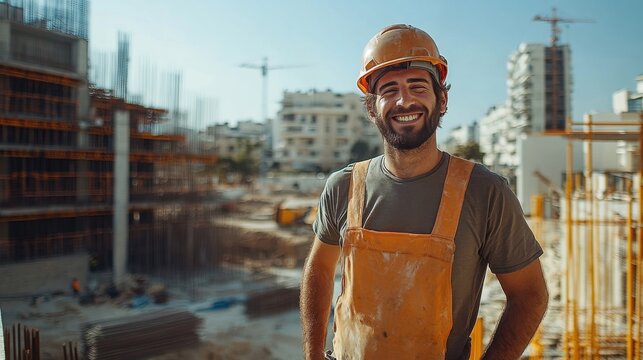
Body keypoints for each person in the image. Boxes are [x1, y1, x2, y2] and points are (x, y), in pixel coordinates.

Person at [300, 24, 548, 359]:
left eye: (417, 86)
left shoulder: (485, 193)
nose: (404, 100)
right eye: (389, 90)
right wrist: (313, 354)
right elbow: (319, 270)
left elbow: (529, 294)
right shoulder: (343, 187)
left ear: (442, 99)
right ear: (372, 108)